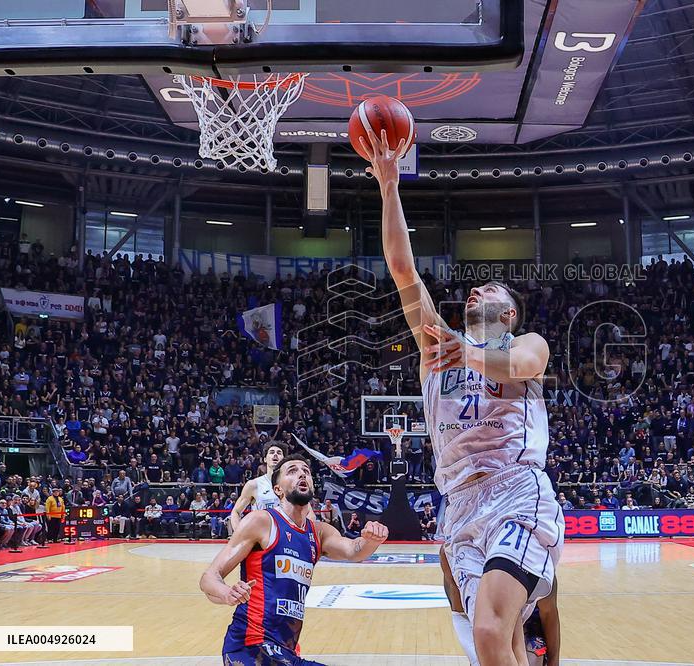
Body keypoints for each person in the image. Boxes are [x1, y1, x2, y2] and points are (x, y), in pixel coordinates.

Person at [368, 128, 565, 666]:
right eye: (474, 289)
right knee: (499, 646)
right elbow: (402, 268)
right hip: (456, 505)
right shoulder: (438, 347)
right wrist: (389, 186)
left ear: (509, 314)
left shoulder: (526, 344)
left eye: (492, 290)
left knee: (488, 631)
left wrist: (468, 352)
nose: (477, 290)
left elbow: (521, 366)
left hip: (514, 491)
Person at [200, 454, 388, 666]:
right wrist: (227, 593)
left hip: (284, 651)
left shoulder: (318, 533)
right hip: (250, 646)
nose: (302, 474)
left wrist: (372, 540)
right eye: (292, 471)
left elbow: (354, 550)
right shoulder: (262, 521)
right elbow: (208, 578)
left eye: (306, 471)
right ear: (278, 489)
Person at [440, 545, 561, 666]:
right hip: (486, 620)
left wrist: (554, 661)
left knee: (528, 659)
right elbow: (459, 613)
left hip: (529, 623)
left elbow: (549, 614)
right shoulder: (450, 552)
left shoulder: (529, 555)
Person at [229, 443, 286, 532]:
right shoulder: (254, 485)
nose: (275, 454)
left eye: (279, 453)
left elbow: (308, 512)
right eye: (271, 452)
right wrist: (240, 534)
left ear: (284, 460)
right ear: (265, 459)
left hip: (285, 538)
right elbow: (235, 512)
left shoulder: (292, 485)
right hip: (261, 537)